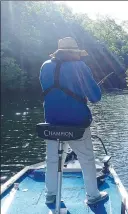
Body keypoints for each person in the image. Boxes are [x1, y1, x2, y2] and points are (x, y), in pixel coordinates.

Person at [39, 37, 108, 205]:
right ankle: (93, 196)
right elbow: (95, 97)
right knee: (86, 158)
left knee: (53, 160)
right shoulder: (80, 67)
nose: (79, 57)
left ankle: (51, 196)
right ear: (73, 53)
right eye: (78, 54)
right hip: (77, 123)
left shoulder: (45, 66)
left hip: (52, 123)